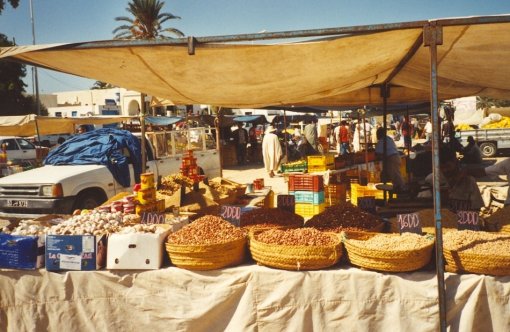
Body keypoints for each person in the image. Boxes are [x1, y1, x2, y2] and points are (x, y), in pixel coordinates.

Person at [425, 147, 484, 211]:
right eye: (441, 167)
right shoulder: (431, 179)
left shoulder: (469, 181)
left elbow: (477, 207)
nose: (445, 170)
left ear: (455, 162)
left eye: (448, 166)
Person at [375, 127, 406, 192]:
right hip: (396, 157)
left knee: (395, 175)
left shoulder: (381, 141)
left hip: (391, 158)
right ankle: (398, 188)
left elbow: (377, 153)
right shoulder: (389, 139)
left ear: (379, 134)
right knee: (394, 174)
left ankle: (403, 189)